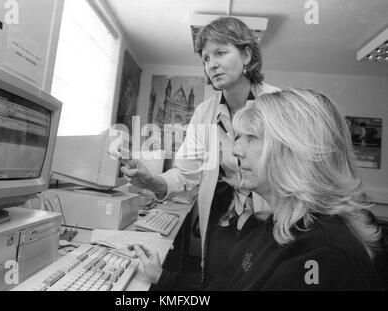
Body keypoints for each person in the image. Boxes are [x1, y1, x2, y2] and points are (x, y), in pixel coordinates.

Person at [131, 88, 384, 290]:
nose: (236, 151)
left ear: (295, 152)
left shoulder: (323, 256)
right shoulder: (268, 226)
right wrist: (162, 277)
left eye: (251, 138)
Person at [121, 16, 278, 287]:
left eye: (221, 52)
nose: (211, 64)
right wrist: (151, 181)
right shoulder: (205, 112)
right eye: (205, 58)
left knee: (259, 278)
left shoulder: (277, 105)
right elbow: (185, 173)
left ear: (247, 55)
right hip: (225, 215)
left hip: (271, 215)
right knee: (216, 278)